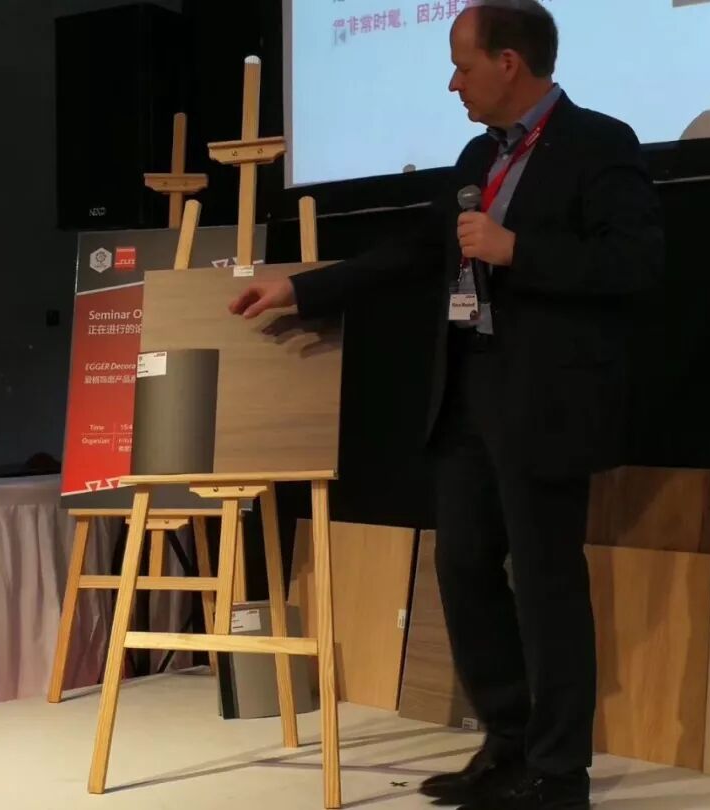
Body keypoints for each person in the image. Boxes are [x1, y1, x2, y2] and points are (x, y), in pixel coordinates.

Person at [230, 1, 663, 808]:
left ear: (509, 63)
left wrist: (516, 249)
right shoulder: (477, 154)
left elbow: (634, 262)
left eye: (463, 66)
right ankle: (506, 743)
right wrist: (303, 287)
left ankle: (558, 772)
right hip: (467, 391)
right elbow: (415, 251)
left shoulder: (600, 142)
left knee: (546, 582)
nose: (453, 83)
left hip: (547, 400)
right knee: (462, 566)